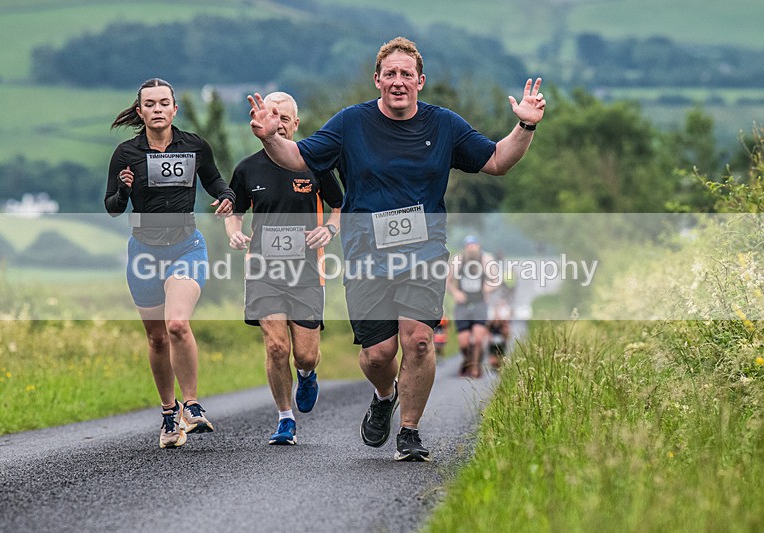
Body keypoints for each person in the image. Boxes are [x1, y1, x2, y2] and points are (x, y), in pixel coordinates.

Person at [248, 37, 545, 461]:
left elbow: (497, 161)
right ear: (377, 80)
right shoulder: (351, 123)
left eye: (407, 74)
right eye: (391, 73)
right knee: (378, 354)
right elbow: (298, 158)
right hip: (365, 254)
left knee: (419, 340)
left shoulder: (443, 124)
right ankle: (384, 395)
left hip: (424, 252)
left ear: (420, 81)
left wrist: (526, 126)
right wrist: (269, 137)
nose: (399, 81)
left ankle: (410, 431)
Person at [104, 78, 236, 449]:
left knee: (177, 324)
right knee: (157, 338)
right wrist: (124, 192)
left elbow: (215, 181)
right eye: (150, 104)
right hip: (145, 253)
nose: (158, 109)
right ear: (140, 110)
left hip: (186, 247)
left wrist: (226, 196)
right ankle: (168, 414)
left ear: (174, 109)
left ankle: (191, 406)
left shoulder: (194, 146)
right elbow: (112, 208)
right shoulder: (126, 154)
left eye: (165, 103)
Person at [225, 92, 343, 445]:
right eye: (271, 117)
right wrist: (234, 232)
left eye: (284, 118)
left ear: (295, 124)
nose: (278, 123)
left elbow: (341, 207)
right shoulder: (248, 168)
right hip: (263, 269)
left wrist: (330, 229)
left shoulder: (315, 165)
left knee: (304, 354)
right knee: (277, 346)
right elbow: (233, 208)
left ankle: (307, 374)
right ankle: (285, 418)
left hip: (307, 271)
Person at [446, 235, 499, 378]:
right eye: (469, 245)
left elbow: (496, 280)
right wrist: (455, 293)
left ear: (479, 246)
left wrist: (489, 287)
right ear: (465, 247)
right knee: (464, 343)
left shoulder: (486, 260)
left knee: (478, 339)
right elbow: (448, 281)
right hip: (462, 305)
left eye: (474, 245)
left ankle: (475, 367)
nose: (471, 248)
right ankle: (468, 360)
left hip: (480, 303)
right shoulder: (458, 260)